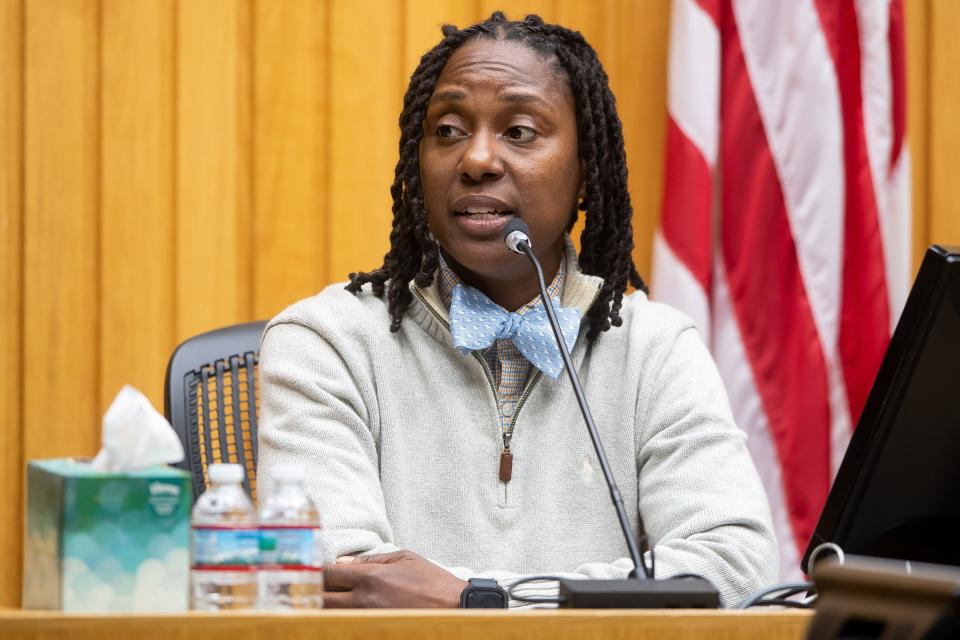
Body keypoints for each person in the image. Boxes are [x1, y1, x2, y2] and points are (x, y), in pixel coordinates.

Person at [256, 12, 778, 609]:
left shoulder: (655, 349)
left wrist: (474, 603)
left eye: (521, 131)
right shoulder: (325, 341)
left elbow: (734, 563)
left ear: (586, 173)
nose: (476, 159)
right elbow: (343, 578)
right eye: (447, 130)